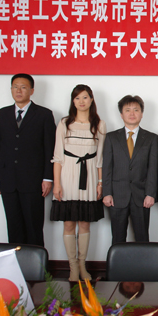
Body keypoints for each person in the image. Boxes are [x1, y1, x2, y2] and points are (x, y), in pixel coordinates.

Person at [0, 73, 56, 247]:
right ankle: (16, 262)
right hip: (8, 179)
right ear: (11, 89)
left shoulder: (44, 114)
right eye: (15, 87)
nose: (18, 90)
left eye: (23, 87)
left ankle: (36, 263)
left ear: (32, 90)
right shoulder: (2, 114)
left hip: (33, 181)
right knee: (13, 226)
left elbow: (50, 148)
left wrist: (48, 178)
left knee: (34, 226)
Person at [51, 84, 106, 281]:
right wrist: (57, 184)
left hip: (89, 177)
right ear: (73, 101)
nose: (81, 101)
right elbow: (58, 157)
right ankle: (72, 267)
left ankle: (83, 266)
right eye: (77, 98)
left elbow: (100, 158)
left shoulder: (99, 124)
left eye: (85, 97)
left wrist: (100, 182)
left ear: (91, 99)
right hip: (68, 176)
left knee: (84, 223)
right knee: (68, 223)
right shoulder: (64, 123)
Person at [102, 95, 158, 245]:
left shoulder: (151, 138)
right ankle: (118, 262)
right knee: (118, 238)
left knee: (142, 237)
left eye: (136, 110)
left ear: (141, 113)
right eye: (127, 110)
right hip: (117, 196)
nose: (132, 113)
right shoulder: (111, 137)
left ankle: (143, 262)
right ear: (121, 114)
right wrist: (107, 193)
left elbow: (153, 168)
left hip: (142, 196)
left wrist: (150, 194)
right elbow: (107, 167)